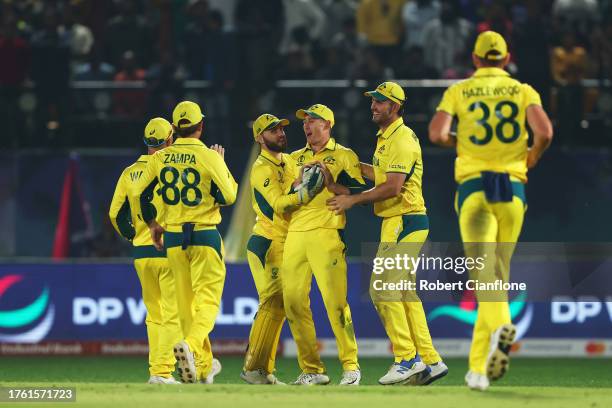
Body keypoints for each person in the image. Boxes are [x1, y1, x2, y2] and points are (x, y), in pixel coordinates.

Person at [428, 31, 553, 391]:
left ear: (476, 58)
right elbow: (544, 132)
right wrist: (528, 159)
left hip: (474, 187)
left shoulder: (459, 90)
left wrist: (460, 142)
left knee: (484, 278)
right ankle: (478, 370)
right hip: (512, 190)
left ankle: (499, 328)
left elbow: (437, 134)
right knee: (494, 276)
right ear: (506, 57)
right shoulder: (523, 90)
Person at [327, 82, 448, 386]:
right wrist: (352, 164)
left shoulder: (402, 138)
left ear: (394, 107)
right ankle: (431, 361)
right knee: (404, 293)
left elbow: (393, 187)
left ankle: (406, 358)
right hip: (397, 221)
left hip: (404, 220)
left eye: (379, 102)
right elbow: (383, 176)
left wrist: (352, 200)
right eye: (373, 101)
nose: (373, 106)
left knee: (383, 289)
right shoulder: (387, 138)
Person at [133, 101, 238, 384]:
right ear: (200, 126)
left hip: (174, 237)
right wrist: (220, 166)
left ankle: (202, 367)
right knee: (208, 302)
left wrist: (153, 224)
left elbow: (141, 195)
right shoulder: (209, 156)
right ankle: (190, 346)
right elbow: (229, 196)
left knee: (183, 306)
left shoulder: (160, 157)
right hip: (204, 234)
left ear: (175, 128)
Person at [283, 104, 366, 385]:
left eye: (313, 120)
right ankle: (312, 369)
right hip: (295, 234)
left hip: (327, 233)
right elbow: (285, 198)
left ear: (327, 124)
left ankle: (351, 366)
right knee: (293, 303)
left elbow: (356, 192)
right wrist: (295, 186)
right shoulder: (294, 158)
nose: (306, 125)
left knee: (335, 304)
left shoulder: (343, 155)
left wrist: (330, 183)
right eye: (304, 121)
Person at [241, 113, 323, 384]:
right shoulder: (260, 169)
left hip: (287, 241)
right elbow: (278, 203)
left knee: (279, 305)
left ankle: (261, 369)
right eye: (273, 131)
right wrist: (304, 192)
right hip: (266, 242)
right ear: (259, 137)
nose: (280, 134)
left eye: (281, 129)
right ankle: (254, 368)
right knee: (273, 301)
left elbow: (299, 178)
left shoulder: (288, 160)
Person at [109, 118, 181, 384]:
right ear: (170, 139)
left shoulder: (129, 173)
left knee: (155, 315)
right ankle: (164, 371)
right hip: (169, 247)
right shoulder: (172, 167)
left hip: (142, 254)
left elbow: (115, 214)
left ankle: (158, 370)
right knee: (175, 313)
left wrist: (134, 237)